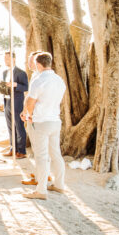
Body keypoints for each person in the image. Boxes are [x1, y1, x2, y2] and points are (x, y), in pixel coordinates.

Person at [22, 52, 67, 200]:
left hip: (40, 121)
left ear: (38, 64)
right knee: (56, 154)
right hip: (55, 121)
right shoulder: (59, 80)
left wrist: (27, 115)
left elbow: (30, 102)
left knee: (41, 156)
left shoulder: (38, 80)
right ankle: (59, 185)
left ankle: (41, 190)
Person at [0, 52, 29, 158]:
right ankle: (13, 148)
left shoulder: (21, 73)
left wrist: (15, 85)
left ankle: (22, 151)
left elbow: (26, 87)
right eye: (5, 58)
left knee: (19, 126)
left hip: (17, 102)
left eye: (7, 58)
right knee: (10, 127)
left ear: (14, 59)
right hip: (7, 101)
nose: (5, 60)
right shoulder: (4, 72)